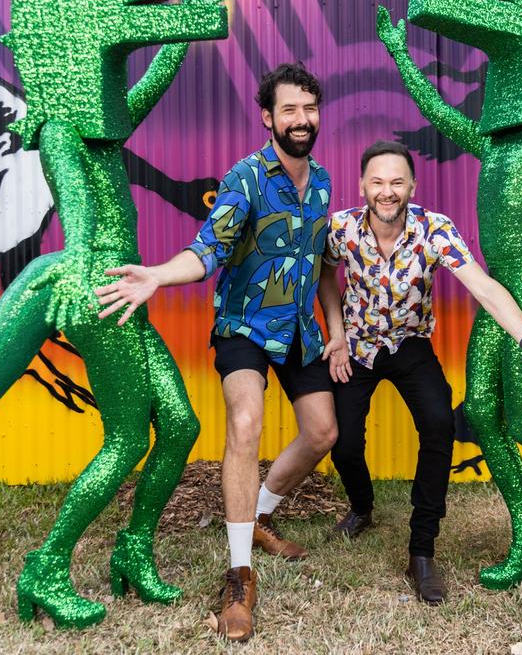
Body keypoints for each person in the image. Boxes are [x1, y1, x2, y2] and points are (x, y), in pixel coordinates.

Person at [94, 63, 342, 642]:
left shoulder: (324, 182)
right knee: (246, 422)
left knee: (322, 434)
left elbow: (324, 265)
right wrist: (157, 275)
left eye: (309, 108)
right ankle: (238, 575)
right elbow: (207, 251)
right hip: (245, 327)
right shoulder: (246, 178)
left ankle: (256, 517)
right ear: (268, 117)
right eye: (289, 110)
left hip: (300, 330)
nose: (300, 120)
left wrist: (335, 328)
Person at [321, 141, 522, 604]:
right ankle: (362, 508)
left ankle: (421, 551)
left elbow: (484, 286)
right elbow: (326, 273)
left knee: (440, 426)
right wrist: (337, 333)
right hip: (359, 347)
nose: (388, 192)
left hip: (411, 345)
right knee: (342, 441)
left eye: (397, 182)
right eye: (378, 182)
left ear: (412, 186)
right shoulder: (341, 228)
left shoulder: (434, 229)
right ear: (363, 185)